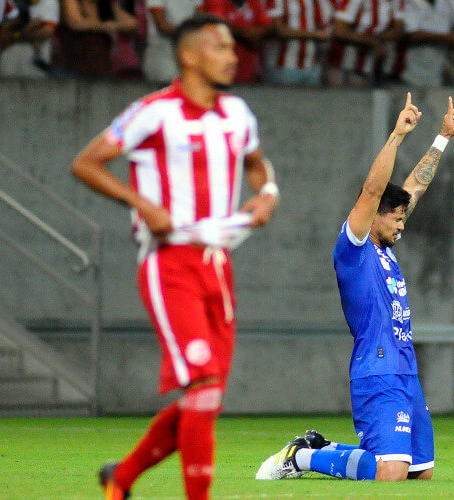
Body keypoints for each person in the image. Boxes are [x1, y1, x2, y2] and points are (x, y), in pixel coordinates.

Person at [70, 14, 280, 499]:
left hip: (218, 264)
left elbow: (255, 161)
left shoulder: (237, 112)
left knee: (206, 398)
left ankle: (120, 479)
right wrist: (142, 205)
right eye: (220, 47)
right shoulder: (153, 112)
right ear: (189, 55)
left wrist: (267, 191)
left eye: (232, 48)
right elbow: (86, 162)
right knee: (203, 386)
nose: (232, 56)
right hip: (170, 262)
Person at [256, 94, 454, 481]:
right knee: (389, 472)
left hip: (405, 370)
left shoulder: (387, 245)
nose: (402, 225)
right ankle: (302, 457)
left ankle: (324, 449)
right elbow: (372, 193)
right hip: (376, 369)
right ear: (373, 218)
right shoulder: (353, 249)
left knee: (420, 473)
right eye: (396, 219)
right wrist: (397, 136)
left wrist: (442, 137)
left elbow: (413, 188)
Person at [400, 0, 454, 87]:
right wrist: (447, 38)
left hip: (436, 71)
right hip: (407, 72)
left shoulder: (446, 2)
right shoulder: (409, 3)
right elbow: (413, 35)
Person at [325, 0, 400, 87]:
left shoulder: (387, 3)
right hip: (343, 65)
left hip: (368, 66)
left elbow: (396, 31)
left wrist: (377, 41)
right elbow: (340, 31)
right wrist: (373, 42)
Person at [56, 0, 138, 77]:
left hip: (99, 68)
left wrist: (112, 25)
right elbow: (76, 23)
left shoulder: (104, 4)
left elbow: (132, 24)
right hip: (70, 68)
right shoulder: (71, 1)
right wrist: (105, 27)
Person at [262, 0, 334, 86]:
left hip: (312, 67)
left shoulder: (316, 2)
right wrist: (315, 34)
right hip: (283, 68)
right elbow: (279, 30)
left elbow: (323, 24)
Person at [200, 0, 272, 84]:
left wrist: (255, 34)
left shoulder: (254, 3)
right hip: (220, 70)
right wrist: (246, 34)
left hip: (247, 70)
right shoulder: (217, 2)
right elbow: (218, 25)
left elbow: (267, 25)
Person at [0, 0, 59, 78]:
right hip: (10, 58)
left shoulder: (50, 2)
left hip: (35, 61)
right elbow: (3, 37)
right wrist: (29, 29)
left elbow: (47, 32)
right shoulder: (12, 3)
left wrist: (15, 35)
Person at [142, 0, 202, 81]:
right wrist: (190, 32)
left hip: (189, 51)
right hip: (163, 54)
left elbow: (200, 19)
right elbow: (162, 26)